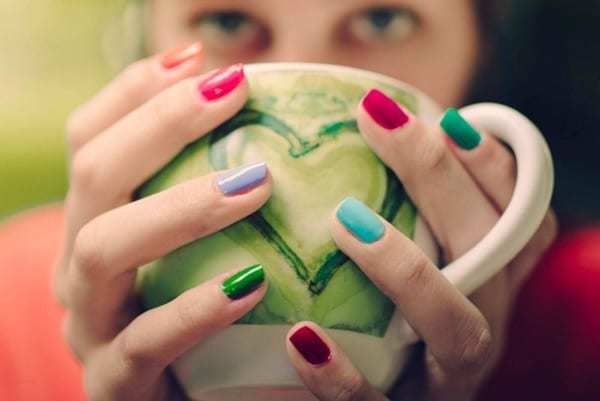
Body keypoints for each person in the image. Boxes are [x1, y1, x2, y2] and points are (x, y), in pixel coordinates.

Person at [0, 1, 598, 400]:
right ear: (146, 47)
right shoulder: (10, 308)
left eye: (383, 18)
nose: (314, 68)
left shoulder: (586, 323)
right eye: (228, 20)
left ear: (481, 51)